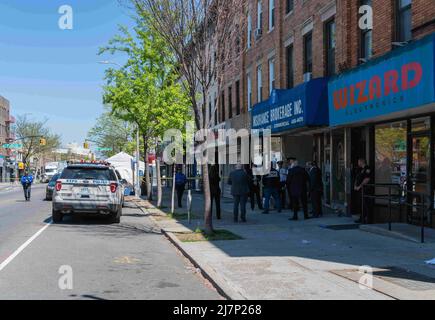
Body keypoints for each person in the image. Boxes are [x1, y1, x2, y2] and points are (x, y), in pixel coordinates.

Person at [354, 158, 371, 223]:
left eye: (359, 162)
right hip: (359, 190)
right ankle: (361, 218)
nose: (358, 163)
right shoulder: (360, 169)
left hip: (365, 189)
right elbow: (357, 178)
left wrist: (359, 186)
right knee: (360, 204)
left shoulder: (367, 168)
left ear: (362, 162)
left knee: (365, 204)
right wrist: (355, 186)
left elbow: (367, 179)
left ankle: (367, 218)